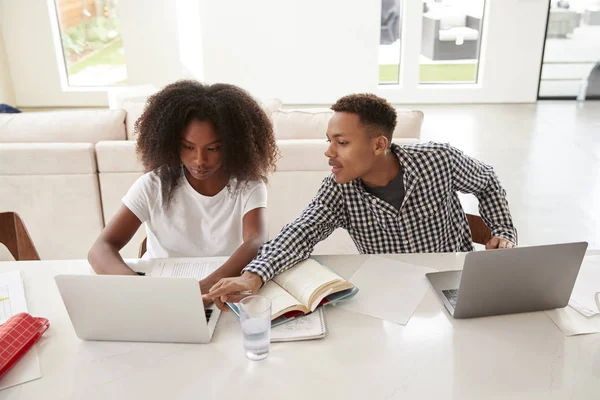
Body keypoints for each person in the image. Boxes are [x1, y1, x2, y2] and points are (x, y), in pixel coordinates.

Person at [203, 93, 517, 309]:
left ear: (379, 144)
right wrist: (251, 276)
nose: (328, 152)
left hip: (455, 286)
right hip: (392, 297)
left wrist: (502, 231)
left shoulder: (439, 160)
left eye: (341, 142)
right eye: (330, 141)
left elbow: (487, 182)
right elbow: (298, 233)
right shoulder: (339, 189)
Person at [88, 80, 278, 295]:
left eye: (213, 148)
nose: (200, 160)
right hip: (159, 292)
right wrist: (137, 288)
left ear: (234, 146)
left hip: (219, 291)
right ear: (171, 143)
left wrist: (206, 288)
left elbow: (256, 240)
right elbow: (100, 248)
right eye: (188, 147)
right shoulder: (154, 184)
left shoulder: (248, 186)